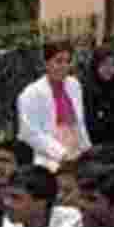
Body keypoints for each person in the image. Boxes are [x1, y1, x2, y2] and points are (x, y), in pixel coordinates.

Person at [17, 41, 92, 171]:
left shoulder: (74, 85)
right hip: (48, 155)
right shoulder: (30, 93)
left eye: (67, 61)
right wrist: (61, 153)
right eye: (58, 61)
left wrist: (87, 149)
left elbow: (79, 123)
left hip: (76, 150)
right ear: (46, 63)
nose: (64, 66)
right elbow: (29, 133)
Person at [82, 47, 114, 148]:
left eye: (113, 65)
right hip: (96, 145)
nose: (109, 69)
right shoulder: (88, 90)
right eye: (104, 64)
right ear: (96, 65)